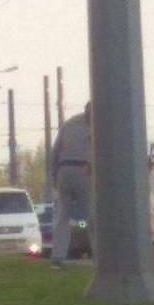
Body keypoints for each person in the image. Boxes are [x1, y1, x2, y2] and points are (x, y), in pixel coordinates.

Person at [50, 103, 92, 269]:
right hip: (84, 170)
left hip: (64, 170)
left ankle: (58, 257)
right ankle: (99, 256)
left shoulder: (69, 124)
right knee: (91, 216)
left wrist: (54, 175)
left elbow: (55, 152)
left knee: (63, 217)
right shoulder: (97, 125)